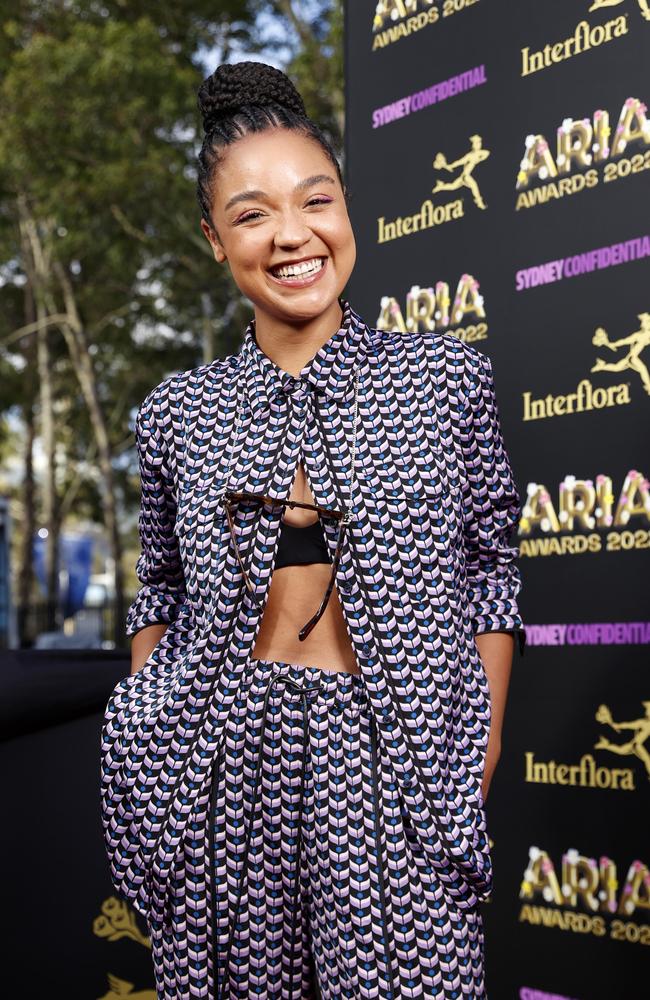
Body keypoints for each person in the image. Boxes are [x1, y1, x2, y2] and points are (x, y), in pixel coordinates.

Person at [101, 61, 526, 1000]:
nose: (293, 235)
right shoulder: (177, 411)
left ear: (345, 210)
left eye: (315, 200)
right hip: (220, 761)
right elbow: (160, 587)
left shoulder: (443, 381)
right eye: (252, 214)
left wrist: (480, 741)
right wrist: (158, 730)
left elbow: (491, 566)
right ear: (216, 240)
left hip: (397, 754)